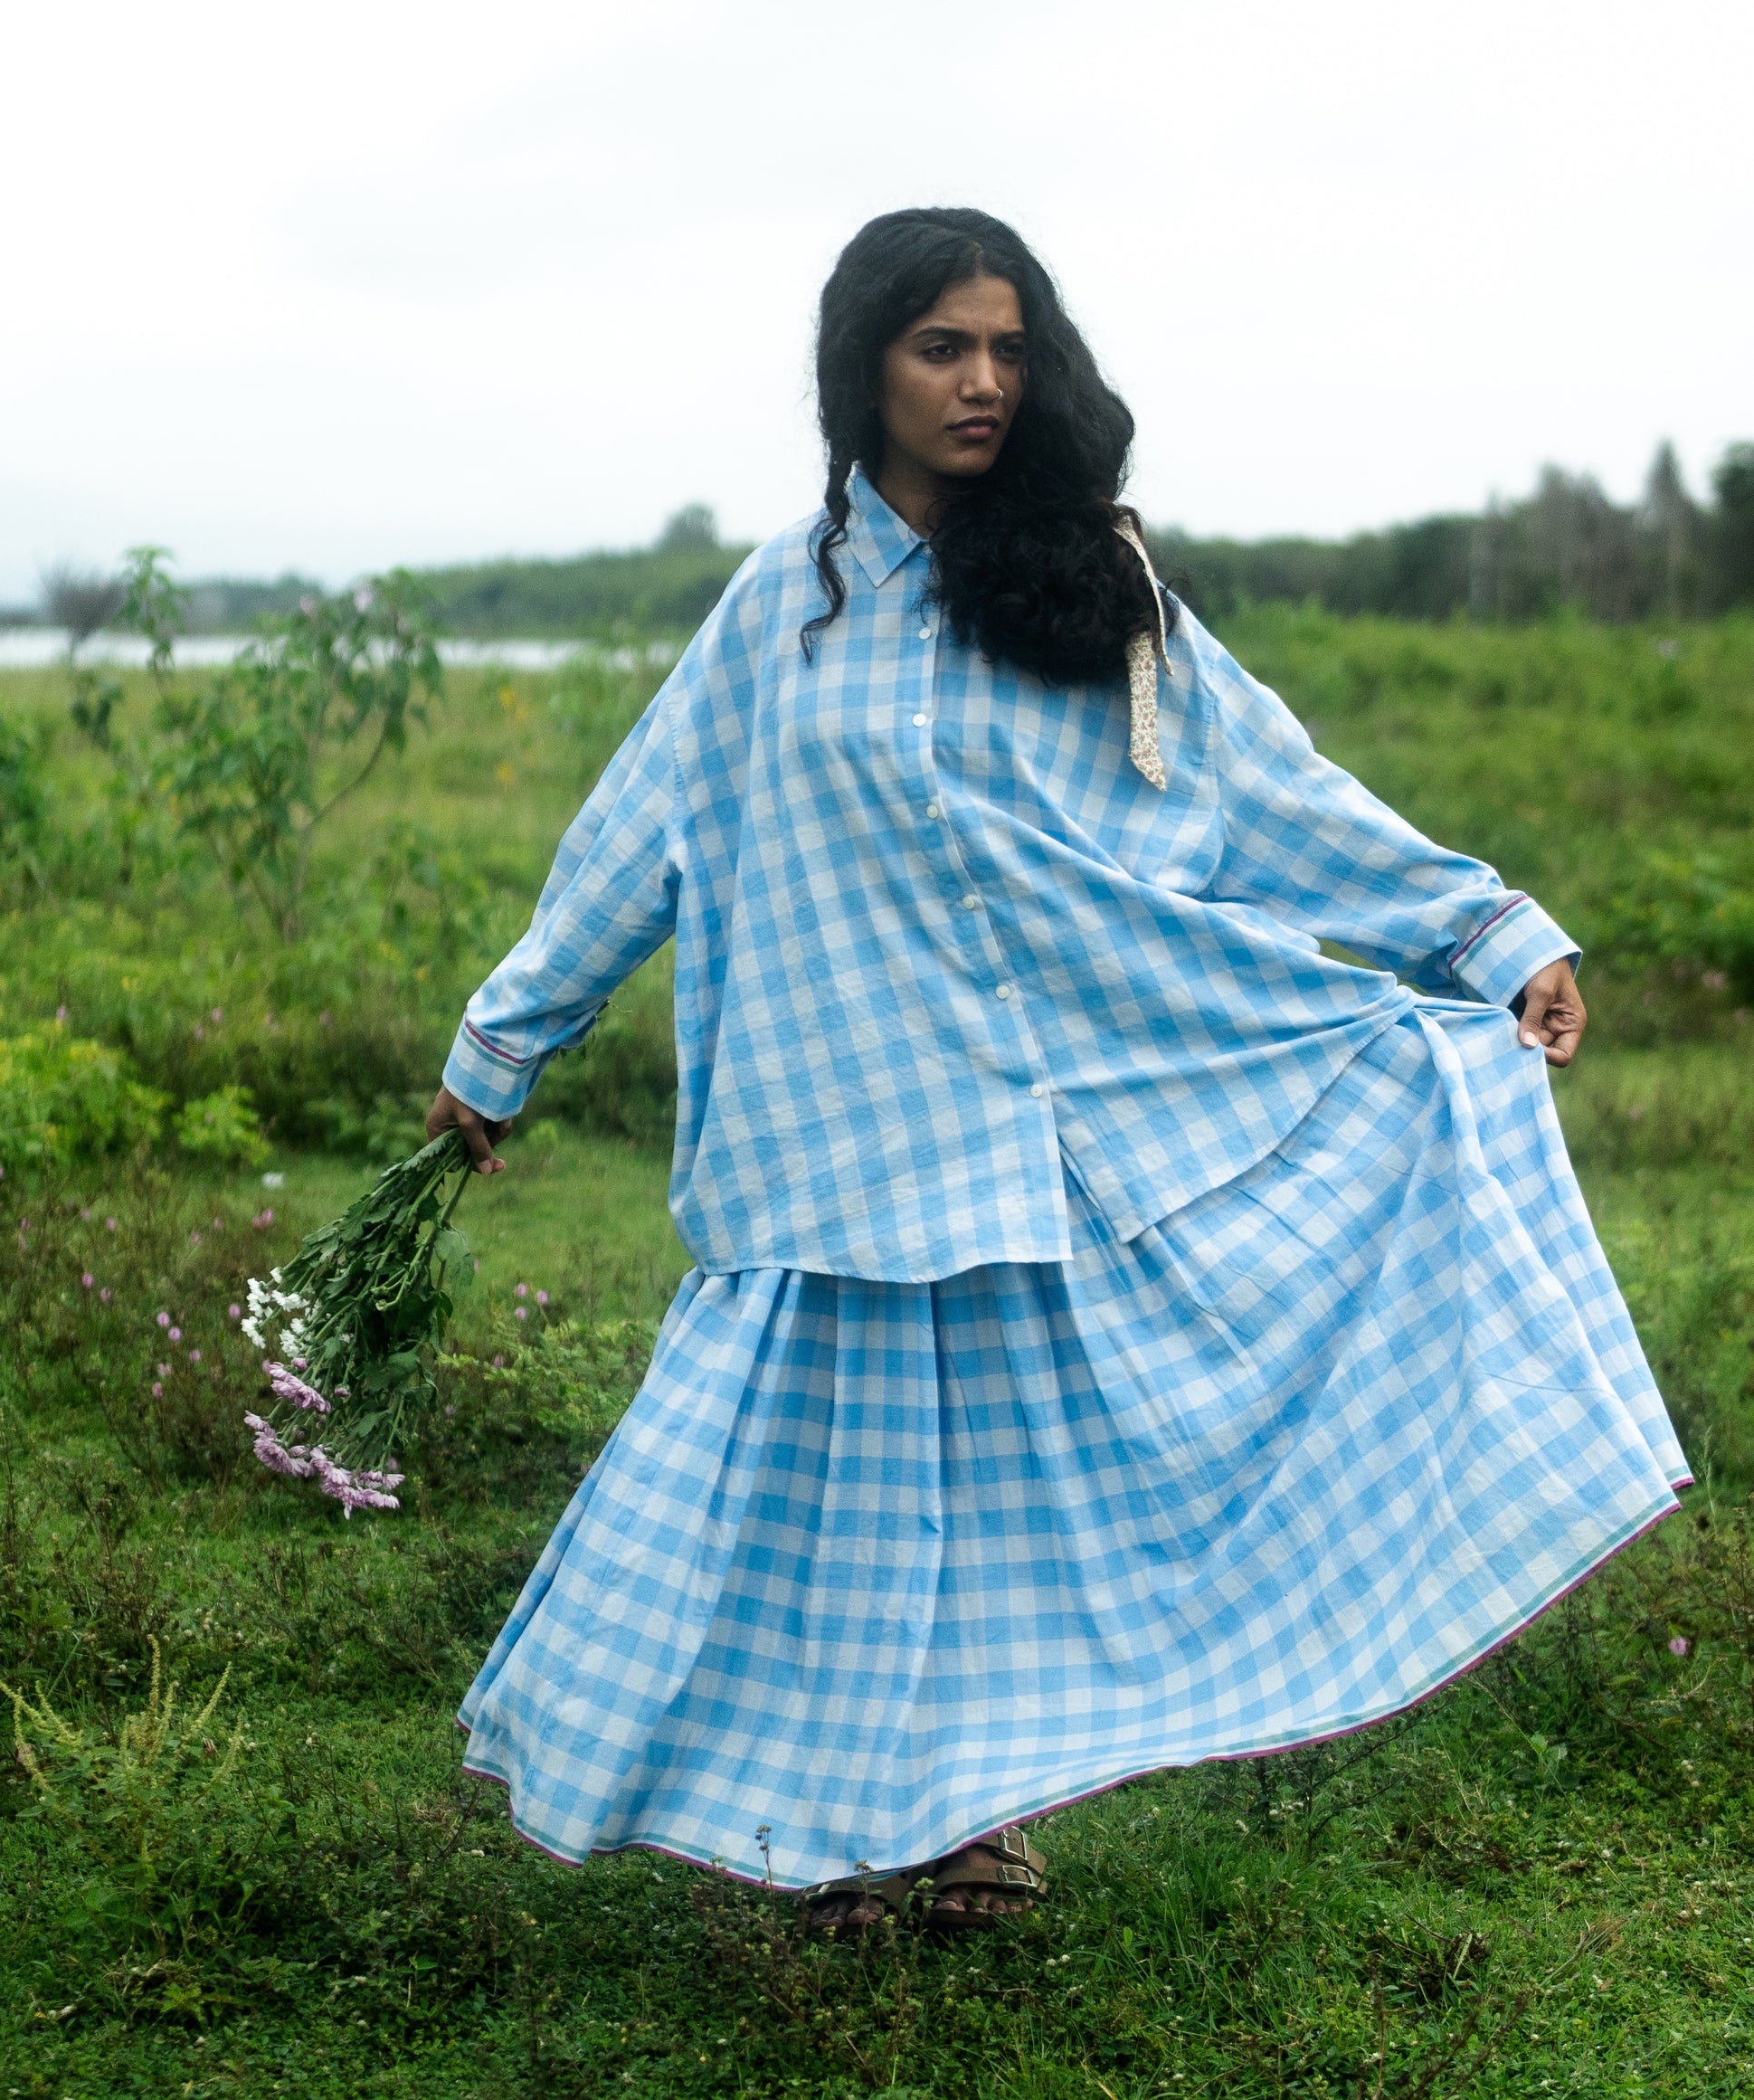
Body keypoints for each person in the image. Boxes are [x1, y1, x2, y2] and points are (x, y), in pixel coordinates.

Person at [426, 206, 1686, 1935]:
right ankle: (834, 1836)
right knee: (849, 1507)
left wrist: (1485, 934)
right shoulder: (778, 615)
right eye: (941, 346)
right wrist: (502, 1045)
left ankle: (975, 1825)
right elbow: (637, 833)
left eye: (1010, 349)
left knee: (1009, 1502)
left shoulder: (1099, 587)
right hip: (851, 1141)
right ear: (860, 364)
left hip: (1056, 1130)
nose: (982, 384)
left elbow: (1267, 789)